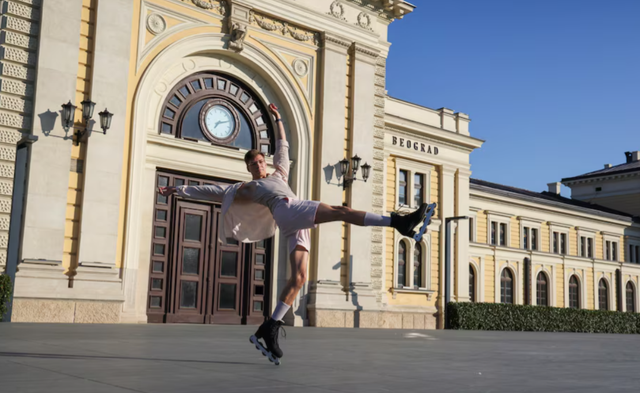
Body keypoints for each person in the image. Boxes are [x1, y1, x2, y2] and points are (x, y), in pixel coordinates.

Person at [158, 103, 434, 365]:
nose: (257, 166)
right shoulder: (248, 187)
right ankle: (399, 222)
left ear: (263, 162)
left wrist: (277, 119)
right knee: (341, 210)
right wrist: (178, 190)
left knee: (300, 277)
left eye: (259, 162)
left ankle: (270, 326)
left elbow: (283, 146)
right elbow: (214, 191)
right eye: (252, 165)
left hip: (293, 224)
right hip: (289, 210)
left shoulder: (278, 173)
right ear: (249, 169)